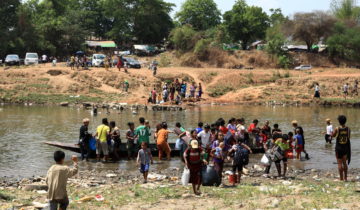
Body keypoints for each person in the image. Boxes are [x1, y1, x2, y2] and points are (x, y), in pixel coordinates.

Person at [332, 115, 351, 181]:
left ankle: (341, 178)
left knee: (339, 163)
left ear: (339, 121)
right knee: (344, 163)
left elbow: (333, 136)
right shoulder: (348, 129)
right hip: (345, 148)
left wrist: (331, 134)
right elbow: (348, 138)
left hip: (339, 148)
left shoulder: (337, 128)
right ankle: (345, 178)